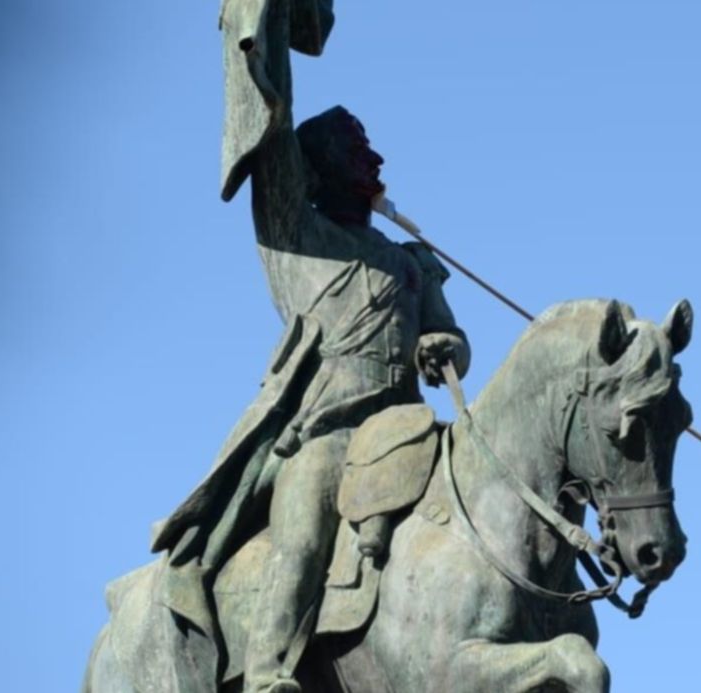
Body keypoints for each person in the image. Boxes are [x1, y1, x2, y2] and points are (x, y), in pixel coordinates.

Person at [149, 2, 470, 692]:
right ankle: (267, 672)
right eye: (358, 149)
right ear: (322, 167)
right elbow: (276, 138)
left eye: (370, 146)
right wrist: (267, 39)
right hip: (328, 435)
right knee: (304, 535)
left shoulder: (411, 260)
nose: (375, 157)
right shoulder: (302, 238)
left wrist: (443, 341)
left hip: (408, 425)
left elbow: (451, 336)